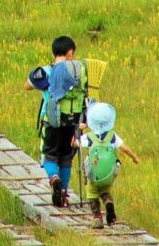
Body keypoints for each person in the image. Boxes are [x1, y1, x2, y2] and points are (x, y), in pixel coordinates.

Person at [23, 35, 88, 207]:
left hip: (51, 122)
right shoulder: (78, 71)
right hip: (73, 123)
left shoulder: (47, 71)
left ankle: (54, 179)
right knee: (66, 158)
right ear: (70, 53)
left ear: (54, 52)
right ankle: (64, 194)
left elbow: (27, 85)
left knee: (49, 156)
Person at [79, 102, 140, 229]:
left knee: (92, 192)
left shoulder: (89, 137)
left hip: (93, 174)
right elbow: (125, 148)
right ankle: (108, 202)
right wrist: (134, 157)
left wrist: (79, 130)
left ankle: (97, 218)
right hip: (108, 173)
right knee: (105, 191)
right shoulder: (112, 136)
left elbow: (74, 144)